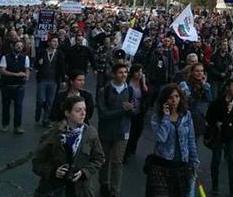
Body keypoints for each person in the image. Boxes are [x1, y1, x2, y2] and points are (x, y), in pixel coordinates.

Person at [32, 95, 106, 197]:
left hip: (81, 190)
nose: (83, 113)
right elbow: (37, 162)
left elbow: (99, 158)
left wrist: (84, 172)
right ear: (67, 113)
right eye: (78, 110)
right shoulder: (52, 134)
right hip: (54, 189)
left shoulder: (90, 133)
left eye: (84, 109)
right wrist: (53, 172)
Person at [146, 83, 200, 197]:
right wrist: (166, 117)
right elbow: (161, 138)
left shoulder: (186, 115)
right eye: (170, 97)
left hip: (181, 165)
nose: (174, 100)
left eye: (176, 96)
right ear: (165, 100)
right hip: (162, 165)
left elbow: (191, 139)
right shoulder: (157, 117)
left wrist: (195, 161)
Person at [97, 62, 135, 197]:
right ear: (113, 74)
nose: (123, 75)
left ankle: (115, 191)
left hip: (122, 131)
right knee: (104, 160)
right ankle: (104, 183)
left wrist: (130, 110)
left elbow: (134, 112)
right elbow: (103, 114)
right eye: (120, 72)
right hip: (106, 131)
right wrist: (122, 111)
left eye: (125, 72)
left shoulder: (130, 91)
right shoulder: (104, 91)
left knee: (117, 161)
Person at [206, 79, 233, 195]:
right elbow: (209, 116)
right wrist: (216, 122)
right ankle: (215, 186)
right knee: (216, 160)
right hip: (219, 135)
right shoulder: (218, 102)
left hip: (232, 134)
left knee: (232, 161)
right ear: (227, 87)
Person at [0, 40, 31, 134]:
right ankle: (5, 124)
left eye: (21, 46)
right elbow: (2, 71)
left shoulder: (25, 57)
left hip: (19, 86)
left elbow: (27, 69)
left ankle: (17, 126)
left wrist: (27, 76)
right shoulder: (5, 57)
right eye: (17, 45)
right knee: (6, 106)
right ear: (13, 46)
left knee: (18, 106)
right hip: (7, 85)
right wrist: (16, 74)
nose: (19, 47)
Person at [35, 37, 66, 128]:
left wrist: (63, 80)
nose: (56, 43)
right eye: (54, 41)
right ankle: (38, 111)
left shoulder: (59, 53)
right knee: (41, 100)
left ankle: (46, 119)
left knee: (50, 101)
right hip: (42, 80)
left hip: (53, 80)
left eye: (57, 42)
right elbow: (35, 64)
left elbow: (62, 67)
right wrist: (39, 63)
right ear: (49, 43)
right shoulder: (42, 52)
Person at [179, 62, 213, 140]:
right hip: (187, 116)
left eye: (201, 71)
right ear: (192, 72)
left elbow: (209, 99)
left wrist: (204, 85)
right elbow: (189, 100)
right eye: (197, 71)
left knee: (194, 142)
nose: (200, 73)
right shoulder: (185, 84)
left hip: (199, 117)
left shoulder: (205, 85)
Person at [125, 63, 149, 162]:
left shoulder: (142, 83)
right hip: (129, 111)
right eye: (137, 72)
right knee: (129, 133)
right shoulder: (127, 82)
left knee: (137, 132)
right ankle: (126, 152)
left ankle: (132, 148)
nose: (139, 74)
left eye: (141, 72)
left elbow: (147, 95)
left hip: (139, 111)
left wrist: (144, 83)